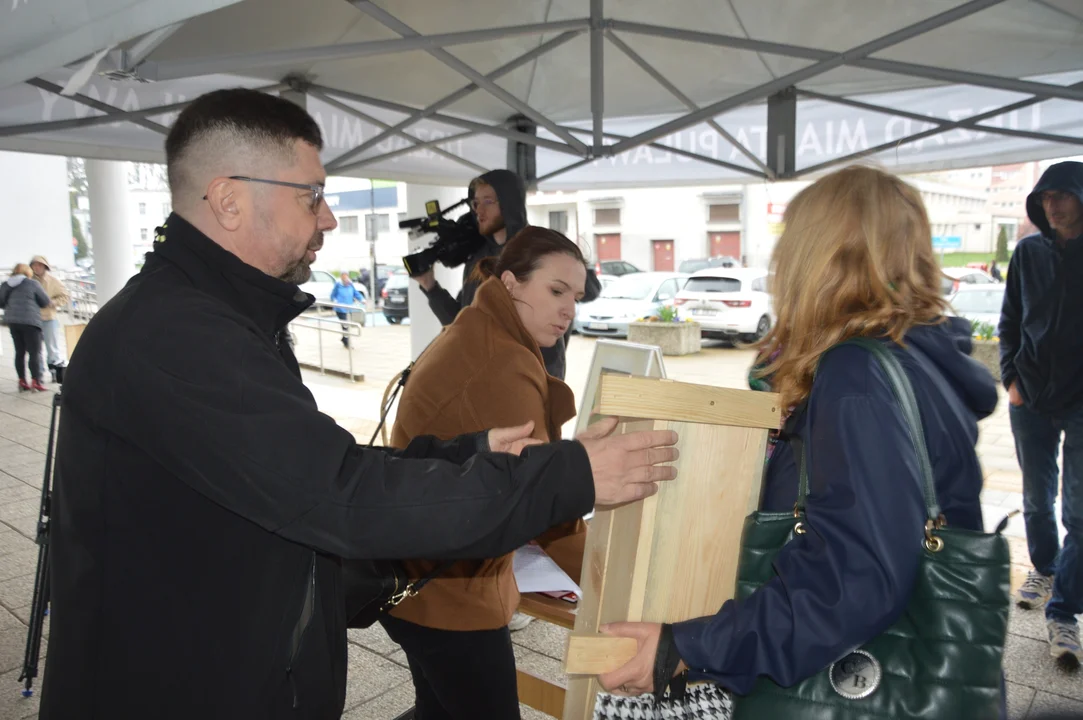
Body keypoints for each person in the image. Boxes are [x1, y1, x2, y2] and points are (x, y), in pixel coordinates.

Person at [40, 88, 680, 720]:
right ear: (229, 199)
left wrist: (470, 451)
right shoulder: (177, 335)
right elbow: (336, 495)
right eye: (311, 194)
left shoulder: (213, 318)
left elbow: (306, 467)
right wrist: (571, 474)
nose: (328, 218)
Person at [596, 166, 1001, 709]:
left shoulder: (856, 374)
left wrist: (689, 644)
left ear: (819, 258)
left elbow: (852, 579)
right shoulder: (919, 361)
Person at [380, 226, 589, 719]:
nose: (568, 310)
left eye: (576, 297)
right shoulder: (502, 358)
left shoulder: (480, 327)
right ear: (513, 283)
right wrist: (609, 582)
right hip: (449, 591)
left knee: (437, 711)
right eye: (556, 291)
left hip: (418, 574)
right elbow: (546, 500)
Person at [999, 161, 1083, 670]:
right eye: (1045, 196)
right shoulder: (1028, 252)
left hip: (1081, 402)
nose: (1053, 205)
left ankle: (1064, 611)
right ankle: (1045, 567)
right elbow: (1009, 319)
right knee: (1035, 496)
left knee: (1079, 511)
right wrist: (1011, 379)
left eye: (1063, 196)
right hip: (1029, 395)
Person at [414, 169, 599, 380]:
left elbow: (590, 289)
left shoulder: (539, 248)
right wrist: (429, 286)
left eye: (488, 201)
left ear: (509, 202)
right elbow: (461, 323)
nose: (479, 211)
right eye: (475, 203)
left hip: (536, 375)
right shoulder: (478, 259)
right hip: (483, 378)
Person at [0, 263, 51, 392]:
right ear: (28, 272)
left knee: (19, 352)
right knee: (34, 352)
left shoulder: (6, 284)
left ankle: (22, 381)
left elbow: (0, 302)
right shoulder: (32, 283)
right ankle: (35, 381)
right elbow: (45, 301)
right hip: (30, 321)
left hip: (13, 322)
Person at [30, 255, 70, 381]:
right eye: (34, 265)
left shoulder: (54, 281)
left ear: (45, 266)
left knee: (52, 347)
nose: (36, 268)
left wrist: (53, 303)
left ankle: (54, 372)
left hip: (49, 317)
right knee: (36, 349)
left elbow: (65, 296)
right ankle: (39, 374)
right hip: (33, 318)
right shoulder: (29, 280)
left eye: (39, 265)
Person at [330, 271, 364, 347]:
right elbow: (333, 294)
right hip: (340, 309)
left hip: (349, 308)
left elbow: (355, 293)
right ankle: (347, 342)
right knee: (345, 325)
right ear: (341, 276)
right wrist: (334, 300)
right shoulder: (338, 285)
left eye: (346, 276)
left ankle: (344, 338)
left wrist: (362, 299)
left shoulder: (350, 284)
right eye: (343, 276)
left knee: (347, 325)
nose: (345, 278)